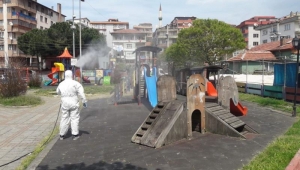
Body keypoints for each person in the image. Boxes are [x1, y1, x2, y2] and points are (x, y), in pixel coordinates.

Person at [56, 70, 87, 141]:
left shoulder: (61, 84)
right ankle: (75, 134)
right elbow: (81, 93)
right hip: (73, 101)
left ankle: (62, 135)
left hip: (65, 102)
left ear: (65, 75)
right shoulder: (76, 83)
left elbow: (57, 92)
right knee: (74, 118)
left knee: (64, 118)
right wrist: (84, 101)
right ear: (72, 75)